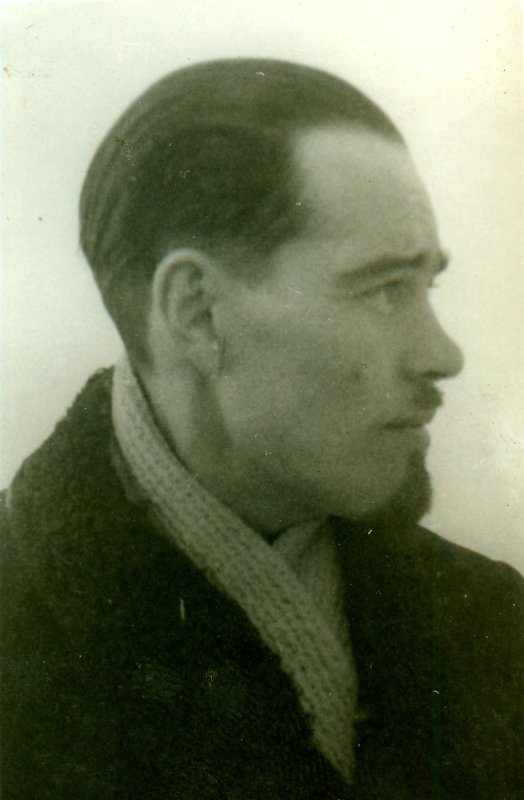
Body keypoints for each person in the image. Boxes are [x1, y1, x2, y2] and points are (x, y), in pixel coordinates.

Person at [1, 58, 522, 800]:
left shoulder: (495, 624)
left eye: (426, 285)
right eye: (382, 289)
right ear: (198, 313)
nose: (443, 355)